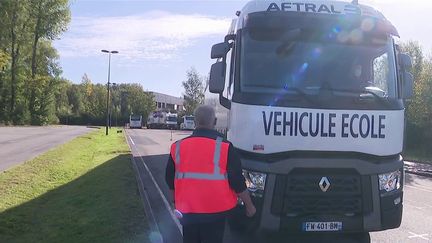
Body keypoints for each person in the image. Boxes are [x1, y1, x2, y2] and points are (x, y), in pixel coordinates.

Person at [165, 105, 256, 243]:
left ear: (195, 122)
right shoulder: (225, 147)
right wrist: (249, 206)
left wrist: (174, 202)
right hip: (215, 213)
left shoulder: (177, 146)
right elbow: (237, 181)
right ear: (214, 121)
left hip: (187, 211)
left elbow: (169, 178)